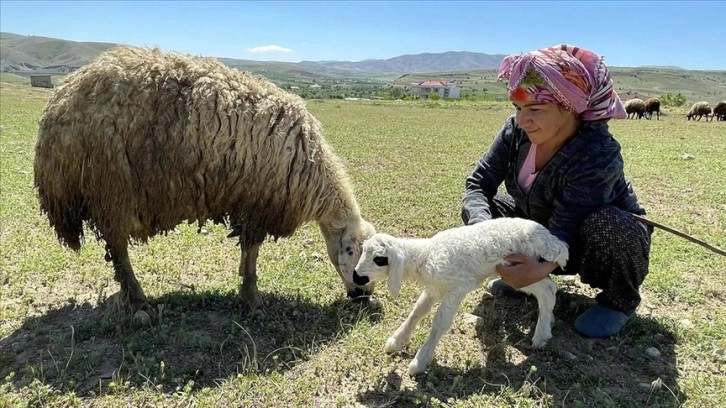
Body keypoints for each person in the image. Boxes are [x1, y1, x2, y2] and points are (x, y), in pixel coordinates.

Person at [461, 44, 652, 339]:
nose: (523, 121)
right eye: (519, 108)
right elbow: (479, 183)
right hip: (543, 227)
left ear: (570, 107)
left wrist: (538, 266)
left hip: (584, 241)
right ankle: (531, 282)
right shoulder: (516, 131)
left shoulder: (597, 151)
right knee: (490, 211)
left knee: (613, 225)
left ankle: (619, 302)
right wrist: (483, 234)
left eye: (535, 109)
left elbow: (569, 223)